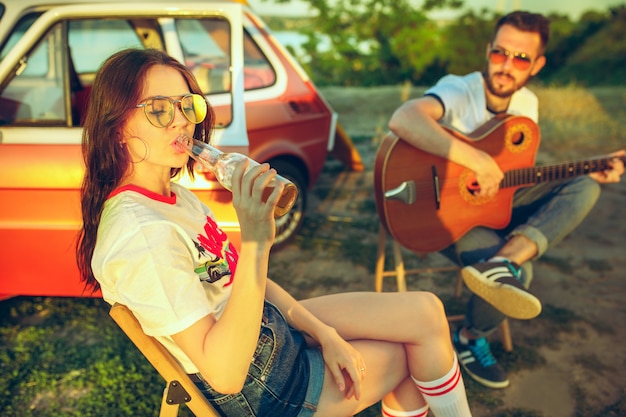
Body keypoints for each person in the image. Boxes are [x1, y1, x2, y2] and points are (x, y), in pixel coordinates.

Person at [75, 48, 473, 417]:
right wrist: (256, 241)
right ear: (117, 127)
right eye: (160, 109)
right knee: (412, 354)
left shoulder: (173, 196)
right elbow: (225, 374)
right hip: (263, 384)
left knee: (426, 312)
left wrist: (326, 334)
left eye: (187, 105)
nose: (182, 120)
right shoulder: (141, 235)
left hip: (267, 331)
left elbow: (244, 283)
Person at [388, 10, 624, 390]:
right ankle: (470, 336)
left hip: (496, 206)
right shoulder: (459, 89)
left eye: (521, 58)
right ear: (488, 51)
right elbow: (404, 119)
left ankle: (501, 263)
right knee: (521, 278)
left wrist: (587, 169)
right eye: (500, 53)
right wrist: (475, 159)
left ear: (537, 65)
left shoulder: (527, 104)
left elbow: (512, 179)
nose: (506, 65)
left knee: (586, 186)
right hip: (446, 215)